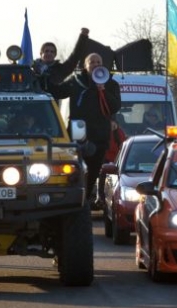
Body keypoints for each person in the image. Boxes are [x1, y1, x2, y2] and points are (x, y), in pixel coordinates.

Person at [49, 52, 122, 204]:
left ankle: (86, 198)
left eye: (98, 61)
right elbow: (57, 91)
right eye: (92, 62)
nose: (96, 64)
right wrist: (46, 75)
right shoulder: (76, 82)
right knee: (77, 169)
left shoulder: (111, 84)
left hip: (99, 136)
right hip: (78, 134)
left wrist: (103, 91)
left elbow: (115, 107)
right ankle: (75, 198)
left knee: (94, 169)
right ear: (85, 66)